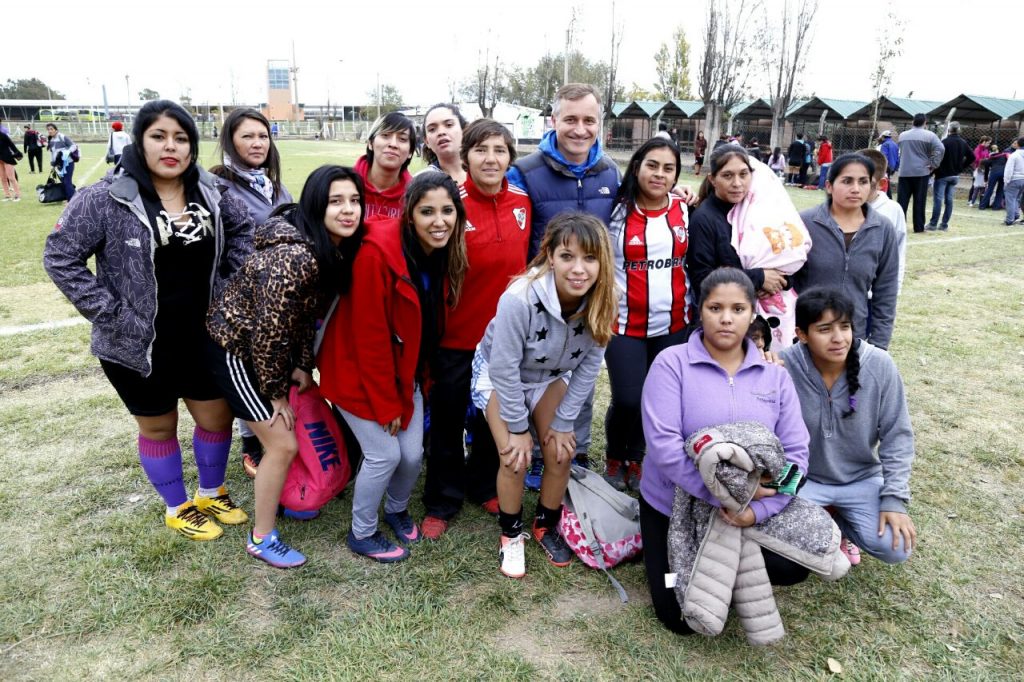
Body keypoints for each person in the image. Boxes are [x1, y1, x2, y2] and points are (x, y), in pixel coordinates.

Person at [43, 100, 254, 540]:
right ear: (140, 142)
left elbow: (244, 232)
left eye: (181, 138)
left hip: (204, 333)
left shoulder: (212, 190)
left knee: (215, 418)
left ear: (193, 147)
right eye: (159, 136)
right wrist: (112, 313)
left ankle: (211, 491)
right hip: (137, 343)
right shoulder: (104, 197)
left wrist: (230, 284)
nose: (170, 146)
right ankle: (178, 506)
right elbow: (60, 257)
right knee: (159, 425)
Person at [206, 165, 364, 568]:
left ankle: (290, 494)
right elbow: (269, 333)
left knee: (286, 436)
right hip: (235, 350)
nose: (348, 210)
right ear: (314, 206)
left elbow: (302, 317)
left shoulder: (324, 245)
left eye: (355, 201)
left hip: (259, 351)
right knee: (282, 442)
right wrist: (276, 393)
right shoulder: (296, 257)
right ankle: (261, 537)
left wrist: (303, 365)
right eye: (336, 202)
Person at [639, 267, 811, 635]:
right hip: (676, 505)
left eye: (738, 308)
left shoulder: (775, 375)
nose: (727, 318)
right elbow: (664, 447)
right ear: (700, 311)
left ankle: (732, 564)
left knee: (793, 567)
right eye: (715, 308)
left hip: (751, 506)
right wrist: (729, 498)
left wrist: (761, 508)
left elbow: (797, 454)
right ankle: (668, 552)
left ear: (753, 313)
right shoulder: (671, 364)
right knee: (679, 619)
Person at [317, 173, 467, 563]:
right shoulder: (376, 254)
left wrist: (415, 386)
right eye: (427, 211)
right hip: (357, 374)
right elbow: (369, 342)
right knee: (385, 454)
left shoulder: (439, 253)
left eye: (448, 211)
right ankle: (362, 532)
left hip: (405, 375)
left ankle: (396, 508)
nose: (439, 221)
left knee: (413, 455)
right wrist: (388, 408)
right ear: (409, 215)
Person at [473, 212, 616, 578]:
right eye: (567, 256)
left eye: (589, 257)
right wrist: (519, 428)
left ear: (603, 260)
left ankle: (545, 523)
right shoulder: (519, 298)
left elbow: (587, 368)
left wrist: (565, 421)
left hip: (547, 375)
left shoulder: (605, 299)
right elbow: (503, 368)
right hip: (499, 375)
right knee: (514, 457)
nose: (579, 269)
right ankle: (511, 532)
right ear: (550, 256)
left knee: (560, 451)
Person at [420, 119, 531, 539]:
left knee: (492, 419)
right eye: (481, 150)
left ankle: (484, 483)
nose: (491, 158)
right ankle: (442, 500)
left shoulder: (522, 201)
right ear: (465, 157)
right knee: (447, 420)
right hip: (455, 337)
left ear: (509, 157)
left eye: (500, 150)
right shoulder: (451, 202)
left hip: (504, 340)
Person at [506, 82, 620, 480]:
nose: (579, 129)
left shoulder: (610, 171)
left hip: (587, 292)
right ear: (553, 121)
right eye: (570, 119)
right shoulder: (524, 170)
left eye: (589, 120)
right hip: (541, 299)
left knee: (583, 375)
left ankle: (579, 450)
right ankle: (535, 450)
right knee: (534, 372)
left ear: (599, 124)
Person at [782, 288, 916, 565]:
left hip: (861, 478)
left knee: (897, 548)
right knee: (775, 537)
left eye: (844, 326)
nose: (838, 338)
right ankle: (827, 520)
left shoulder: (879, 365)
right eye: (824, 329)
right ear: (802, 334)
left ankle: (840, 521)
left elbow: (897, 436)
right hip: (804, 480)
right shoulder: (784, 366)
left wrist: (894, 499)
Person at [208, 107, 296, 477]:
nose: (257, 143)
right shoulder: (216, 185)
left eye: (263, 135)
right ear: (231, 141)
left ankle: (278, 434)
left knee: (274, 369)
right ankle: (251, 446)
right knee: (249, 374)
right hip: (240, 302)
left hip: (278, 300)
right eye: (247, 136)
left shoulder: (274, 185)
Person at [603, 138, 691, 493]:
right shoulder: (614, 211)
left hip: (674, 324)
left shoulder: (686, 209)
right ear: (637, 166)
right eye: (652, 165)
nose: (659, 174)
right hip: (623, 324)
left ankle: (637, 458)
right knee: (628, 398)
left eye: (668, 168)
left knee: (656, 400)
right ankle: (614, 454)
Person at [794, 153, 899, 349]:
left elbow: (886, 292)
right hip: (806, 335)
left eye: (863, 181)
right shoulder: (804, 223)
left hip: (852, 336)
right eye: (847, 181)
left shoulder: (882, 229)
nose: (856, 189)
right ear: (829, 186)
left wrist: (879, 345)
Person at [687, 144, 793, 325]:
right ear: (712, 179)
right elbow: (702, 278)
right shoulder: (704, 218)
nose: (737, 183)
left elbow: (784, 253)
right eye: (727, 176)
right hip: (721, 322)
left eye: (743, 174)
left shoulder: (759, 211)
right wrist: (758, 279)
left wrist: (780, 280)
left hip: (763, 320)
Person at [859, 148, 908, 294]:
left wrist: (893, 290)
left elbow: (898, 254)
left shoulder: (892, 211)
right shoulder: (839, 206)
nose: (856, 188)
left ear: (881, 183)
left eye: (864, 182)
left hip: (873, 295)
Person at [353, 112, 417, 222]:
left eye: (402, 139)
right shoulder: (346, 184)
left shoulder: (415, 195)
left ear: (410, 152)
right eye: (385, 135)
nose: (393, 144)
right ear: (370, 143)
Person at [896, 114, 944, 233]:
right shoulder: (930, 135)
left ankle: (899, 226)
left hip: (904, 172)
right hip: (921, 172)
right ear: (925, 123)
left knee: (902, 201)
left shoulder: (902, 135)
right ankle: (918, 227)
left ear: (913, 122)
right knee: (919, 201)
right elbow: (941, 149)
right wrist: (933, 164)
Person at [927, 121, 974, 231]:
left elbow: (937, 158)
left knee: (938, 200)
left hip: (942, 175)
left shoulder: (944, 142)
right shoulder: (963, 143)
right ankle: (944, 225)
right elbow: (972, 157)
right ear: (959, 130)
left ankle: (933, 224)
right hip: (955, 175)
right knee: (949, 201)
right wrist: (961, 167)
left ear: (949, 130)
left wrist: (931, 173)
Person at [419, 103, 467, 184]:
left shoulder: (484, 172)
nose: (441, 132)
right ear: (427, 142)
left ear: (463, 130)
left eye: (449, 125)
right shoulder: (421, 183)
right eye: (432, 129)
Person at [45, 123, 78, 202]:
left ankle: (71, 200)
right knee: (64, 182)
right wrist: (53, 162)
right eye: (48, 129)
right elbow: (53, 153)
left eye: (51, 129)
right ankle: (73, 197)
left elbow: (73, 146)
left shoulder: (62, 137)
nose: (50, 131)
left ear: (56, 130)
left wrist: (66, 152)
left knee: (67, 181)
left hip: (68, 163)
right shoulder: (51, 140)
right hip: (58, 165)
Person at [979, 143, 1007, 211]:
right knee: (1000, 190)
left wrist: (985, 180)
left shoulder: (990, 159)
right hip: (1004, 173)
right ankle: (996, 207)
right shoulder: (1003, 155)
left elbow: (986, 171)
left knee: (989, 189)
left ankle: (982, 206)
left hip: (994, 173)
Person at [1004, 138, 1024, 226]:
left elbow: (1009, 169)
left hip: (1014, 179)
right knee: (1017, 199)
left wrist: (1006, 181)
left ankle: (1009, 219)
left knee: (1010, 199)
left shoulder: (1014, 155)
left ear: (1018, 145)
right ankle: (1016, 215)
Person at [0, 129, 22, 202]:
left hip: (7, 158)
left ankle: (17, 195)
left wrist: (17, 153)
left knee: (11, 177)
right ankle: (7, 195)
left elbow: (11, 145)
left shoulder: (3, 135)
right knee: (3, 178)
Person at [879, 131, 900, 199]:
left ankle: (888, 198)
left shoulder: (885, 144)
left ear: (883, 137)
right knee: (887, 181)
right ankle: (889, 197)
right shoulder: (895, 144)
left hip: (886, 167)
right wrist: (896, 168)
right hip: (892, 167)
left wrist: (882, 167)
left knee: (884, 182)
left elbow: (883, 157)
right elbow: (898, 157)